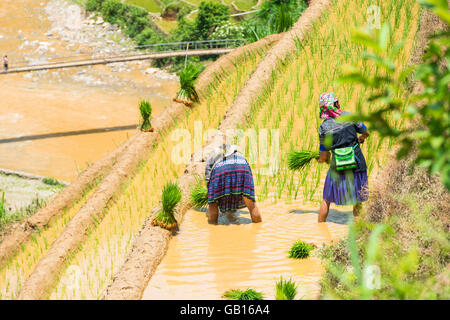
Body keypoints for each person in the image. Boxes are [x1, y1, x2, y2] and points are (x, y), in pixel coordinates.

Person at [316, 92, 370, 222]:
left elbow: (323, 155)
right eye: (337, 102)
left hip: (338, 166)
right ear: (335, 104)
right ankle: (358, 232)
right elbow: (366, 132)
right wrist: (360, 139)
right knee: (358, 200)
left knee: (326, 199)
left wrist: (321, 160)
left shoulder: (323, 128)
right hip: (357, 163)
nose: (339, 104)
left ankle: (320, 229)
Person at [205, 144, 262, 224]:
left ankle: (213, 227)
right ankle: (258, 227)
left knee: (213, 202)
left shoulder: (211, 158)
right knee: (251, 203)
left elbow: (209, 179)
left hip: (220, 169)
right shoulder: (239, 154)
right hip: (242, 167)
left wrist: (211, 195)